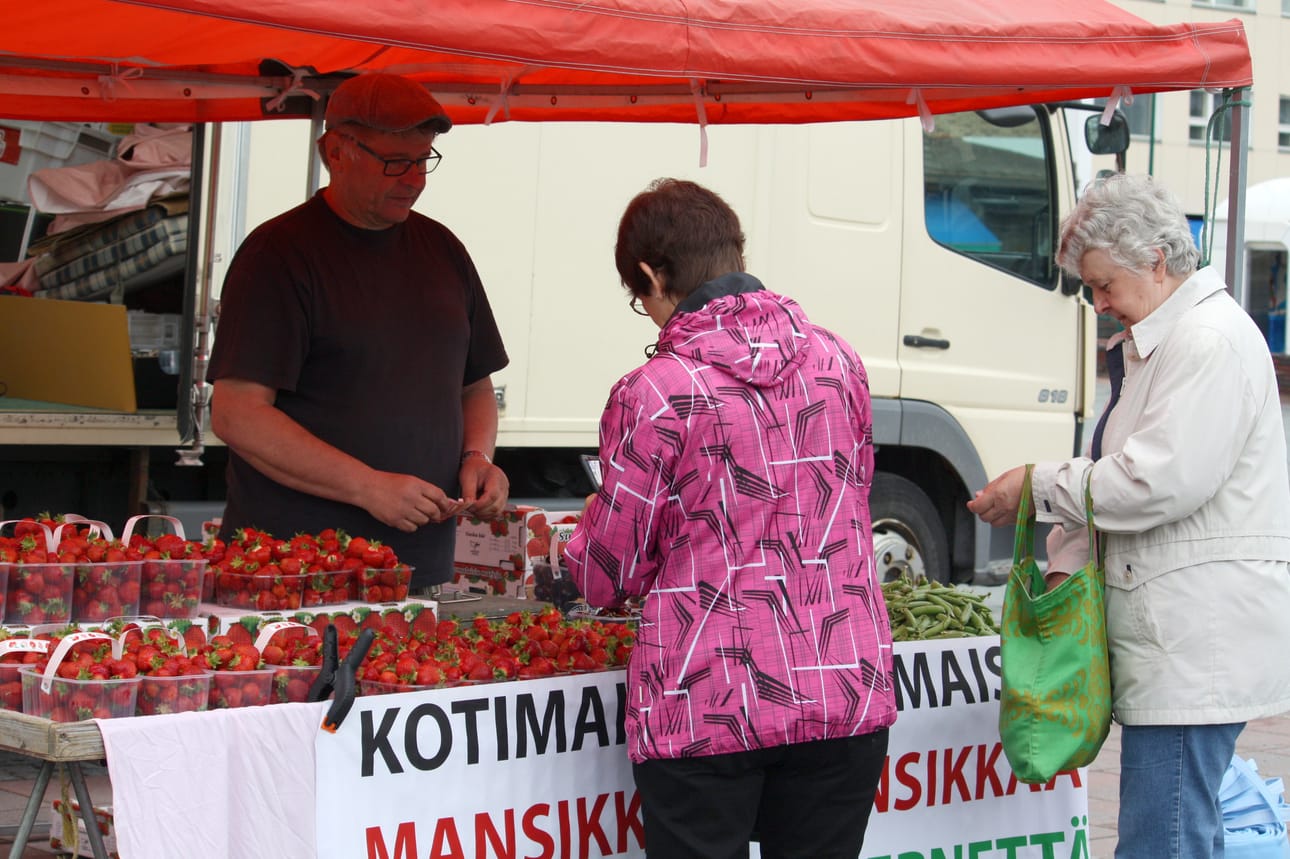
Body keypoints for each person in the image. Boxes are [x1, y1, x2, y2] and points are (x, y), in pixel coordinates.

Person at [564, 178, 896, 859]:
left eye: (641, 299)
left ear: (654, 276)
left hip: (704, 699)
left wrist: (566, 557)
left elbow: (608, 574)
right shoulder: (839, 362)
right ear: (733, 251)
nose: (650, 316)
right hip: (843, 689)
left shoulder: (658, 391)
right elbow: (847, 502)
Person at [967, 173, 1290, 858]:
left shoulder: (1208, 342)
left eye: (1104, 283)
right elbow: (1123, 482)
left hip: (1192, 646)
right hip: (1176, 642)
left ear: (1156, 260)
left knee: (1161, 836)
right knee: (1170, 829)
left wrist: (1037, 482)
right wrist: (1063, 559)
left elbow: (1153, 481)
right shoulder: (1168, 342)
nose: (1100, 301)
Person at [207, 72, 510, 589]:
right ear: (336, 151)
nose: (415, 178)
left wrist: (478, 458)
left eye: (423, 160)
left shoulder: (444, 251)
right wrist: (366, 486)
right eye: (396, 162)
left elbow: (473, 383)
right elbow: (237, 414)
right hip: (296, 574)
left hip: (418, 568)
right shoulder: (277, 255)